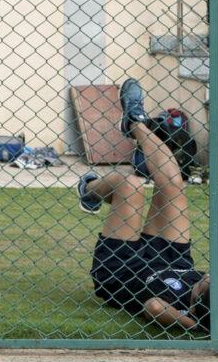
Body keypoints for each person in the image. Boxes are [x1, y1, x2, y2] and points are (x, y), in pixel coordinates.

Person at [80, 78, 211, 333]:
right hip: (175, 259)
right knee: (173, 184)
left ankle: (89, 190)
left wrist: (197, 327)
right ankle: (135, 122)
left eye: (210, 285)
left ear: (197, 307)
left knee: (131, 185)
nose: (211, 277)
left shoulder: (177, 306)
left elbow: (154, 308)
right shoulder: (203, 284)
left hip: (122, 270)